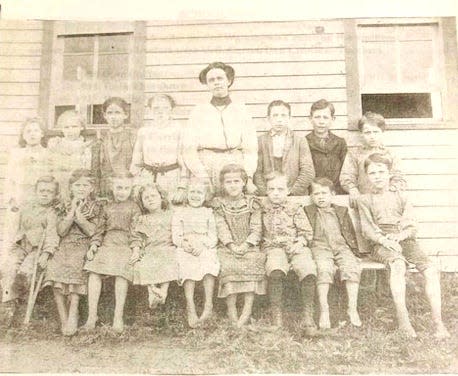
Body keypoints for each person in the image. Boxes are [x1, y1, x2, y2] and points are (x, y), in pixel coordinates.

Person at [357, 153, 450, 338]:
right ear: (367, 176)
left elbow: (411, 224)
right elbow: (368, 229)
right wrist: (386, 240)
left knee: (431, 270)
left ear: (390, 173)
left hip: (404, 238)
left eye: (381, 171)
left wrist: (400, 236)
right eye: (372, 173)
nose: (377, 176)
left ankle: (438, 323)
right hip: (380, 242)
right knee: (398, 265)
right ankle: (404, 321)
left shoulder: (402, 197)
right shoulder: (364, 199)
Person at [181, 62, 258, 195]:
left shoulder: (241, 110)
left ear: (228, 81)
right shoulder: (198, 111)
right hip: (206, 167)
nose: (216, 82)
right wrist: (202, 176)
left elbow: (250, 148)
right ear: (207, 84)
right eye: (211, 80)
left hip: (235, 167)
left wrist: (249, 176)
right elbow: (188, 150)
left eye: (220, 78)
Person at [44, 169, 101, 336]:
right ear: (71, 188)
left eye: (85, 185)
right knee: (54, 265)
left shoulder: (96, 206)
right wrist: (71, 211)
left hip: (83, 244)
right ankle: (63, 317)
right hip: (64, 243)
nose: (81, 188)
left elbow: (92, 231)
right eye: (77, 185)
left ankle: (73, 312)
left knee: (77, 263)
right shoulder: (62, 206)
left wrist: (78, 215)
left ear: (91, 188)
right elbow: (61, 231)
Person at [83, 172, 141, 333]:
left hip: (125, 246)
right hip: (107, 245)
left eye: (126, 188)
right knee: (94, 272)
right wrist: (94, 246)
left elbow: (136, 232)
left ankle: (118, 316)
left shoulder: (134, 208)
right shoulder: (106, 207)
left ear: (131, 189)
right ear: (112, 187)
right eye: (119, 187)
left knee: (122, 274)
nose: (122, 191)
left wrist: (136, 248)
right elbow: (99, 231)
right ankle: (91, 316)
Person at [261, 172, 318, 335]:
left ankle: (308, 314)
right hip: (274, 247)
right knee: (275, 268)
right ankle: (276, 315)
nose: (276, 193)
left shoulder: (295, 208)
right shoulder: (263, 208)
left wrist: (300, 242)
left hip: (295, 245)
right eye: (271, 189)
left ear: (287, 190)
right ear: (266, 191)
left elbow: (306, 231)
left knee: (307, 268)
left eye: (280, 189)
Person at [304, 177, 362, 329]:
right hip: (320, 247)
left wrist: (355, 252)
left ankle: (352, 308)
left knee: (351, 267)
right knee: (324, 269)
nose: (321, 197)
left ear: (333, 194)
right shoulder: (308, 211)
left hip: (341, 246)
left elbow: (349, 233)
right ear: (311, 197)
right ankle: (324, 310)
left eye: (324, 193)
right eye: (316, 194)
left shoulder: (341, 211)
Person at [213, 164, 266, 327]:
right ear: (223, 185)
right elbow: (221, 228)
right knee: (228, 265)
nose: (233, 185)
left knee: (252, 261)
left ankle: (247, 309)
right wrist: (231, 245)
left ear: (244, 182)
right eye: (228, 182)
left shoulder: (252, 203)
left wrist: (247, 244)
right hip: (227, 247)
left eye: (237, 181)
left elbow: (256, 228)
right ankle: (231, 309)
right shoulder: (219, 204)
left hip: (250, 246)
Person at [0, 176, 59, 321]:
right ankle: (8, 304)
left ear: (55, 195)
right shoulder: (27, 207)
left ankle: (23, 303)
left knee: (26, 272)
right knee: (10, 268)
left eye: (49, 192)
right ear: (36, 192)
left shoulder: (52, 213)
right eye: (42, 191)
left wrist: (46, 253)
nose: (45, 194)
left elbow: (52, 235)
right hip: (21, 245)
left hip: (37, 249)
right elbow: (14, 221)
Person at [172, 179, 219, 328]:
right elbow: (176, 236)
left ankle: (208, 305)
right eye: (192, 192)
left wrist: (203, 244)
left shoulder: (208, 213)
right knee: (187, 265)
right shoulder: (179, 212)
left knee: (208, 263)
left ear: (205, 196)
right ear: (186, 194)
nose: (195, 195)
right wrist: (184, 244)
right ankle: (190, 306)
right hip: (186, 247)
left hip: (204, 246)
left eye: (199, 192)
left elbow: (213, 237)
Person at [340, 111, 406, 207]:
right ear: (361, 134)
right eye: (367, 133)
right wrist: (352, 189)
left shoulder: (390, 154)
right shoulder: (354, 154)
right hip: (364, 200)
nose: (372, 136)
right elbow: (346, 176)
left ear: (382, 132)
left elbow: (399, 177)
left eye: (375, 132)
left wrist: (392, 190)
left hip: (387, 201)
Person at [130, 184, 178, 310]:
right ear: (142, 203)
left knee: (169, 259)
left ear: (161, 198)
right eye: (146, 198)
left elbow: (179, 232)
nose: (150, 199)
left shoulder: (171, 215)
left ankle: (163, 290)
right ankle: (151, 291)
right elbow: (137, 237)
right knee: (144, 262)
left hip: (168, 247)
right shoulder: (142, 219)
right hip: (149, 249)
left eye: (153, 196)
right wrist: (136, 250)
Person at [130, 94, 187, 198]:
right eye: (156, 108)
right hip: (148, 178)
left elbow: (185, 163)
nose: (160, 111)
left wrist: (182, 186)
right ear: (150, 110)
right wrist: (136, 184)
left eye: (165, 108)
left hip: (171, 177)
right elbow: (136, 162)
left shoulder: (179, 131)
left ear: (171, 110)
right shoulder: (144, 132)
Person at [254, 100, 315, 196]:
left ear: (289, 118)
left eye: (283, 115)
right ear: (268, 118)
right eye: (275, 115)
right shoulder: (260, 141)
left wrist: (292, 192)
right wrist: (266, 192)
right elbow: (257, 171)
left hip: (293, 194)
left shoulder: (299, 140)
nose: (279, 120)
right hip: (268, 195)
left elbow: (308, 171)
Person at [95, 97, 135, 197]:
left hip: (128, 187)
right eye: (110, 113)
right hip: (107, 187)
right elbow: (97, 168)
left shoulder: (133, 137)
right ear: (105, 115)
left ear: (125, 115)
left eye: (117, 112)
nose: (113, 117)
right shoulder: (101, 140)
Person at [47, 110, 93, 200]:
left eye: (74, 126)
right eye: (66, 127)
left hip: (77, 185)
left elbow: (87, 168)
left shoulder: (85, 147)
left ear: (81, 127)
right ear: (61, 129)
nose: (70, 130)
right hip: (58, 183)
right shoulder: (56, 144)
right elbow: (50, 166)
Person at [306, 99, 347, 194]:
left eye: (325, 117)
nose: (321, 122)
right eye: (317, 117)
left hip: (337, 191)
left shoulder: (340, 142)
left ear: (333, 119)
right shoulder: (304, 142)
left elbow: (346, 170)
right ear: (310, 119)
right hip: (313, 192)